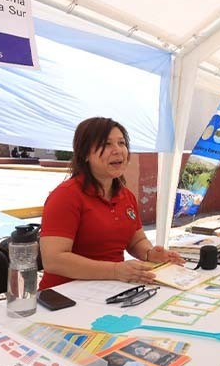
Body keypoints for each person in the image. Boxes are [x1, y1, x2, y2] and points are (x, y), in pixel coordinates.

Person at [39, 117, 184, 290]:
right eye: (107, 144)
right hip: (64, 294)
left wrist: (150, 254)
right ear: (85, 153)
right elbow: (54, 260)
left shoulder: (126, 195)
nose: (117, 150)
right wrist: (115, 270)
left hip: (110, 289)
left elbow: (136, 241)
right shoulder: (65, 196)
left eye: (121, 143)